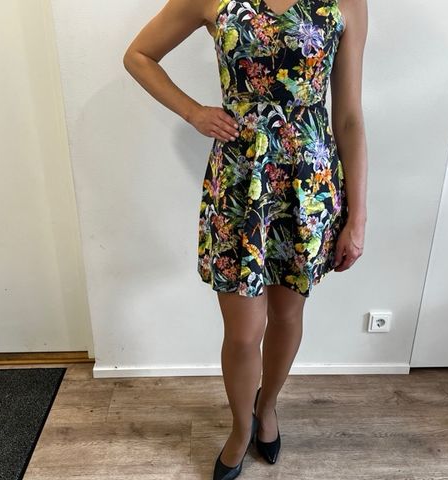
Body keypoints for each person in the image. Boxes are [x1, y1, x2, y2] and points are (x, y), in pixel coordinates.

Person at [123, 0, 368, 478]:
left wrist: (357, 217)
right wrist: (193, 112)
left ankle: (267, 406)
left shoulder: (346, 3)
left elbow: (350, 119)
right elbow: (139, 55)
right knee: (242, 332)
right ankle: (240, 427)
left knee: (287, 315)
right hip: (239, 184)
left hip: (307, 188)